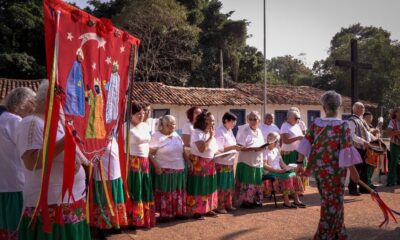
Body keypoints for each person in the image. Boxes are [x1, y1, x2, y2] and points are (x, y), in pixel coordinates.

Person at [16, 80, 90, 239]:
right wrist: (66, 142)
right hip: (50, 206)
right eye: (65, 99)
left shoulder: (58, 123)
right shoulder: (31, 123)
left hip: (69, 202)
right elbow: (31, 162)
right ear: (50, 98)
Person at [296, 90, 361, 240]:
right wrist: (354, 172)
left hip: (319, 170)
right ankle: (325, 234)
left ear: (324, 107)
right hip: (336, 171)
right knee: (334, 201)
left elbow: (305, 144)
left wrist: (300, 163)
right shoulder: (343, 126)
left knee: (329, 200)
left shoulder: (316, 124)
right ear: (338, 107)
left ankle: (338, 231)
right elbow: (346, 150)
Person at [0, 87, 36, 239]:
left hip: (4, 184)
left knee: (6, 228)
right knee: (19, 229)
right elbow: (30, 151)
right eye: (32, 104)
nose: (33, 109)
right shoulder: (16, 121)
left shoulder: (3, 119)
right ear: (25, 103)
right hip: (17, 184)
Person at [149, 115, 188, 221]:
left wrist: (188, 161)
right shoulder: (156, 136)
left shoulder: (176, 135)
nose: (173, 127)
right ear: (165, 125)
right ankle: (165, 214)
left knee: (178, 191)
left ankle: (178, 212)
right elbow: (149, 153)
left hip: (179, 168)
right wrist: (156, 166)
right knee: (165, 191)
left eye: (174, 124)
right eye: (171, 124)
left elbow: (183, 149)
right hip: (164, 169)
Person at [91, 136, 127, 237]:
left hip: (115, 175)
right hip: (103, 177)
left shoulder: (113, 137)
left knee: (115, 200)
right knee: (104, 202)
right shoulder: (96, 138)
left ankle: (114, 223)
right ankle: (101, 227)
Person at [126, 102, 155, 228]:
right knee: (135, 188)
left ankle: (144, 218)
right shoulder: (126, 126)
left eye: (143, 114)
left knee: (144, 187)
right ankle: (133, 219)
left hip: (144, 161)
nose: (141, 116)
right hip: (133, 161)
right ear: (131, 114)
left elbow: (147, 142)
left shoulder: (144, 125)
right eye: (138, 114)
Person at [187, 110, 219, 220]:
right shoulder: (197, 132)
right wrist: (210, 136)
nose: (213, 123)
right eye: (211, 121)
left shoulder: (210, 133)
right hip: (199, 162)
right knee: (199, 185)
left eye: (214, 121)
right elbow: (202, 149)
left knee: (209, 184)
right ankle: (197, 211)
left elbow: (214, 149)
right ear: (204, 121)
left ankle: (207, 208)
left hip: (209, 162)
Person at [263, 132, 305, 208]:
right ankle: (286, 202)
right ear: (271, 141)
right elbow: (264, 166)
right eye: (276, 141)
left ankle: (296, 200)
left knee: (294, 174)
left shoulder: (276, 150)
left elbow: (282, 163)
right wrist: (277, 171)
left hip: (279, 171)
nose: (277, 143)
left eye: (277, 141)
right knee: (286, 177)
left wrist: (288, 168)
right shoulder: (264, 151)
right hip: (270, 172)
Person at [234, 111, 266, 209]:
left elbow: (262, 144)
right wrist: (252, 149)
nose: (252, 121)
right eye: (250, 119)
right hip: (246, 162)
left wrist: (263, 147)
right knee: (247, 182)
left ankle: (255, 200)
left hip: (258, 161)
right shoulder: (244, 131)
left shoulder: (260, 131)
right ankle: (246, 201)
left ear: (259, 121)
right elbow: (239, 147)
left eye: (255, 119)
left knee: (256, 182)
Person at [348, 102, 377, 194]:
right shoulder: (352, 120)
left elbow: (368, 133)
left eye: (363, 108)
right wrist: (364, 142)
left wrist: (375, 140)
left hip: (364, 148)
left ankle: (363, 188)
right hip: (356, 148)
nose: (363, 109)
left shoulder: (361, 120)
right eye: (361, 108)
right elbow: (352, 136)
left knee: (364, 168)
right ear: (355, 109)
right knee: (356, 168)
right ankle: (352, 189)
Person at [214, 112, 241, 214]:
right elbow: (220, 148)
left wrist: (236, 146)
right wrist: (234, 147)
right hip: (221, 162)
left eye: (235, 122)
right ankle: (220, 206)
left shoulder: (229, 131)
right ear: (226, 120)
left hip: (229, 162)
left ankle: (228, 204)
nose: (234, 124)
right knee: (222, 184)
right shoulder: (219, 131)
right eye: (232, 121)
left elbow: (231, 145)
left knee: (229, 184)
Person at [386, 107, 400, 186]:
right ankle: (390, 181)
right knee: (393, 162)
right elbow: (388, 133)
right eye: (399, 112)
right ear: (396, 113)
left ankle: (398, 180)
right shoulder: (392, 122)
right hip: (395, 144)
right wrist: (397, 132)